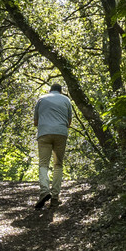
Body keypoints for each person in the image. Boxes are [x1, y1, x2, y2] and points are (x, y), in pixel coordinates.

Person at [33, 79, 73, 207]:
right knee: (58, 164)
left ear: (50, 90)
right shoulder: (66, 100)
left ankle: (44, 191)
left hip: (44, 133)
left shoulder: (41, 99)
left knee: (43, 164)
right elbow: (69, 122)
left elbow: (35, 122)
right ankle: (55, 197)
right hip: (61, 133)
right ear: (60, 91)